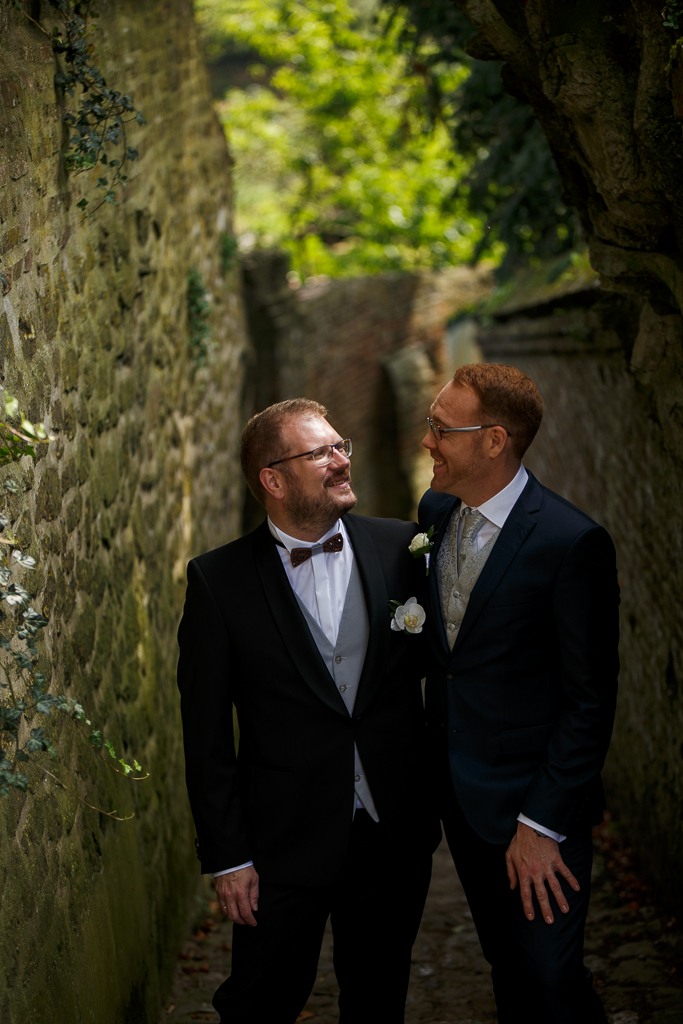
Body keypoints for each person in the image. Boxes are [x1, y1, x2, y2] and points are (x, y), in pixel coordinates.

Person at [177, 398, 440, 1024]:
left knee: (379, 1000)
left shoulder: (401, 546)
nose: (341, 459)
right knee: (262, 1002)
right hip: (280, 847)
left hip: (390, 834)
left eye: (340, 444)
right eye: (321, 452)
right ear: (273, 479)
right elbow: (206, 733)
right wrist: (229, 857)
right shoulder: (219, 582)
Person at [418, 363, 619, 1024]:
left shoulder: (570, 543)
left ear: (493, 441)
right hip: (460, 798)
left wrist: (541, 826)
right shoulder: (435, 511)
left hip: (533, 807)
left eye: (442, 431)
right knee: (507, 966)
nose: (428, 442)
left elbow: (589, 700)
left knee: (551, 975)